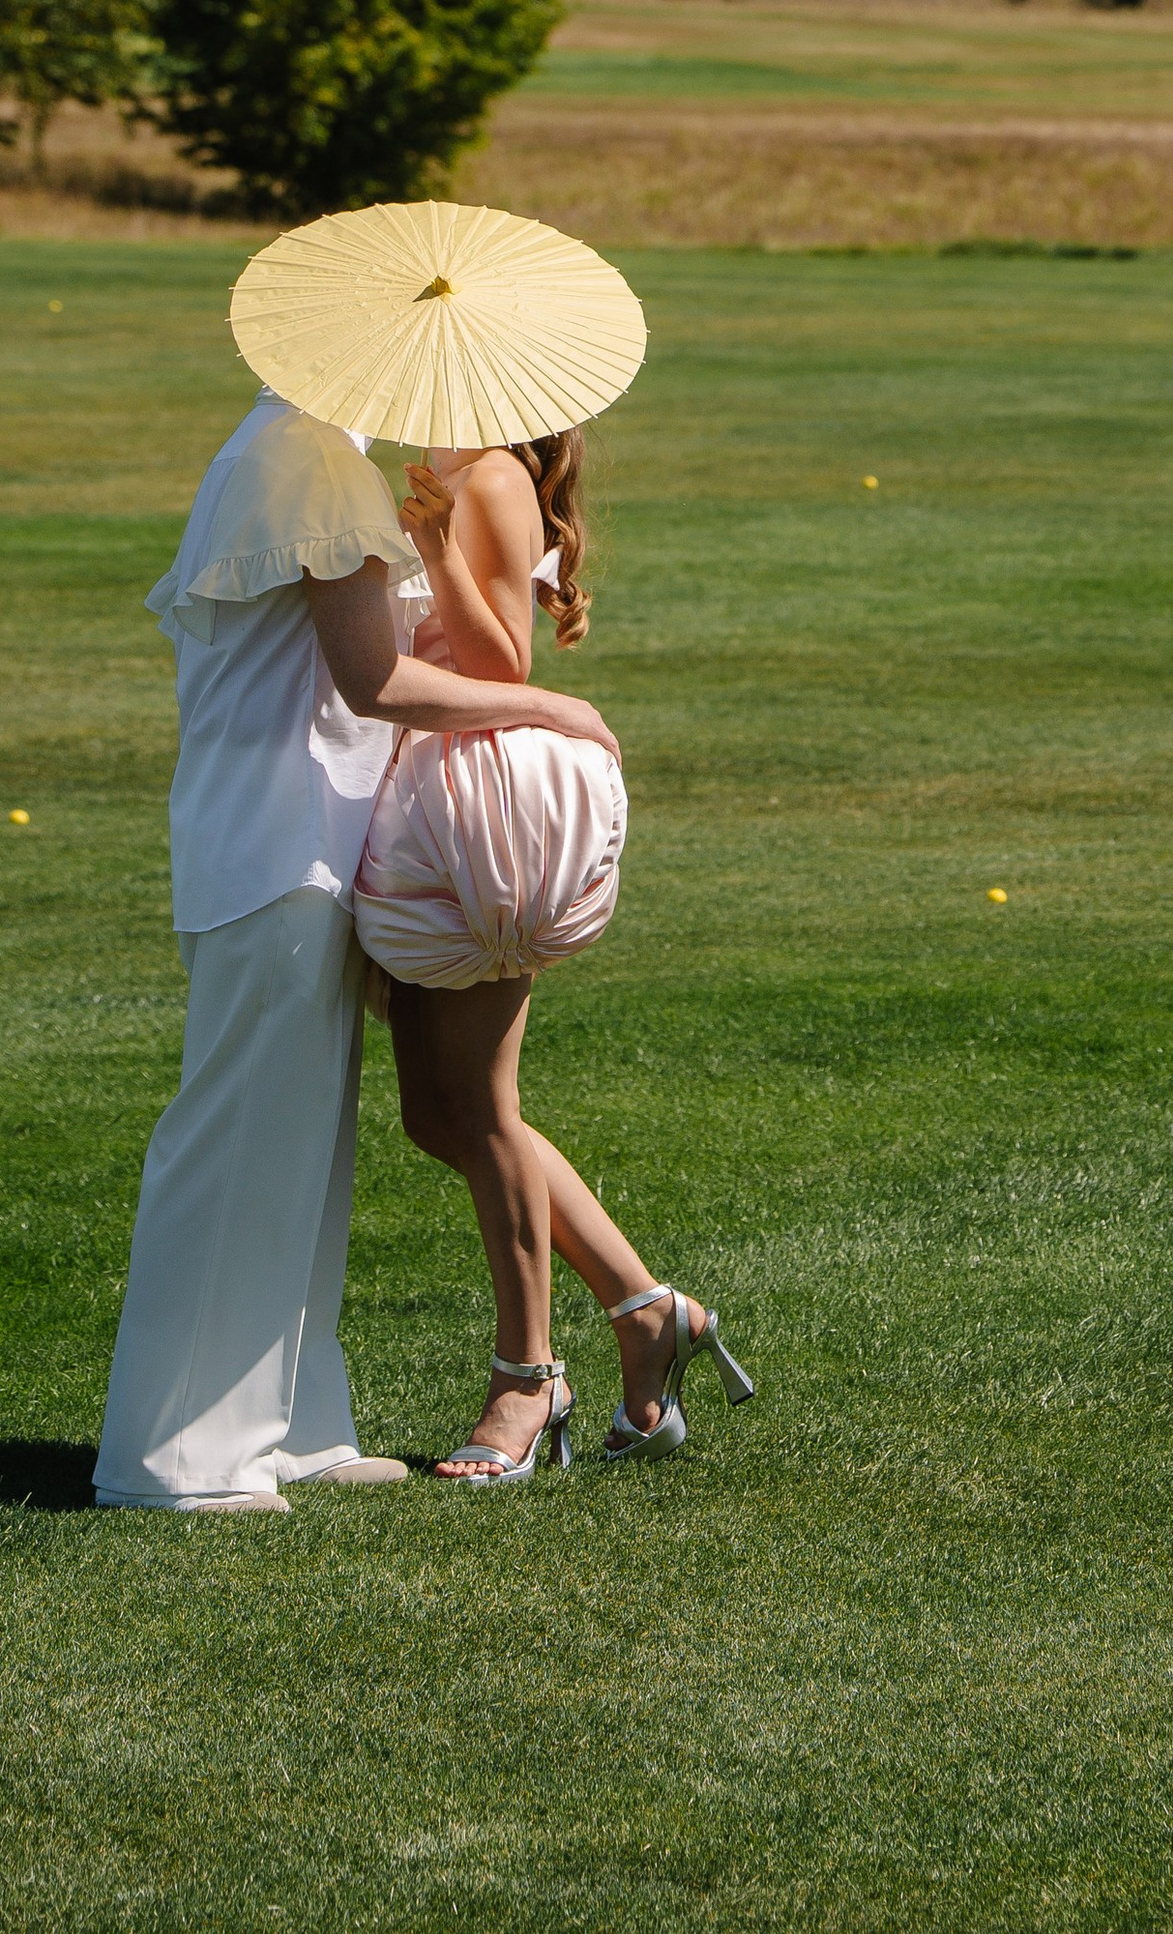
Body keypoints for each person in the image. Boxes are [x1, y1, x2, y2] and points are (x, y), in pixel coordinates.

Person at [93, 388, 621, 1515]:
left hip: (296, 847)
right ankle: (180, 1460)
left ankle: (292, 1429)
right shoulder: (315, 464)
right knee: (239, 1146)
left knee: (299, 1155)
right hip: (280, 848)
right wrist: (551, 710)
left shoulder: (293, 450)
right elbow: (371, 680)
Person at [356, 425, 755, 1482]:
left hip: (480, 827)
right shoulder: (460, 475)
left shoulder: (489, 476)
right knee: (440, 1114)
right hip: (430, 824)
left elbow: (502, 663)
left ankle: (526, 1380)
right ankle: (646, 1308)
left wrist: (434, 545)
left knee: (478, 1112)